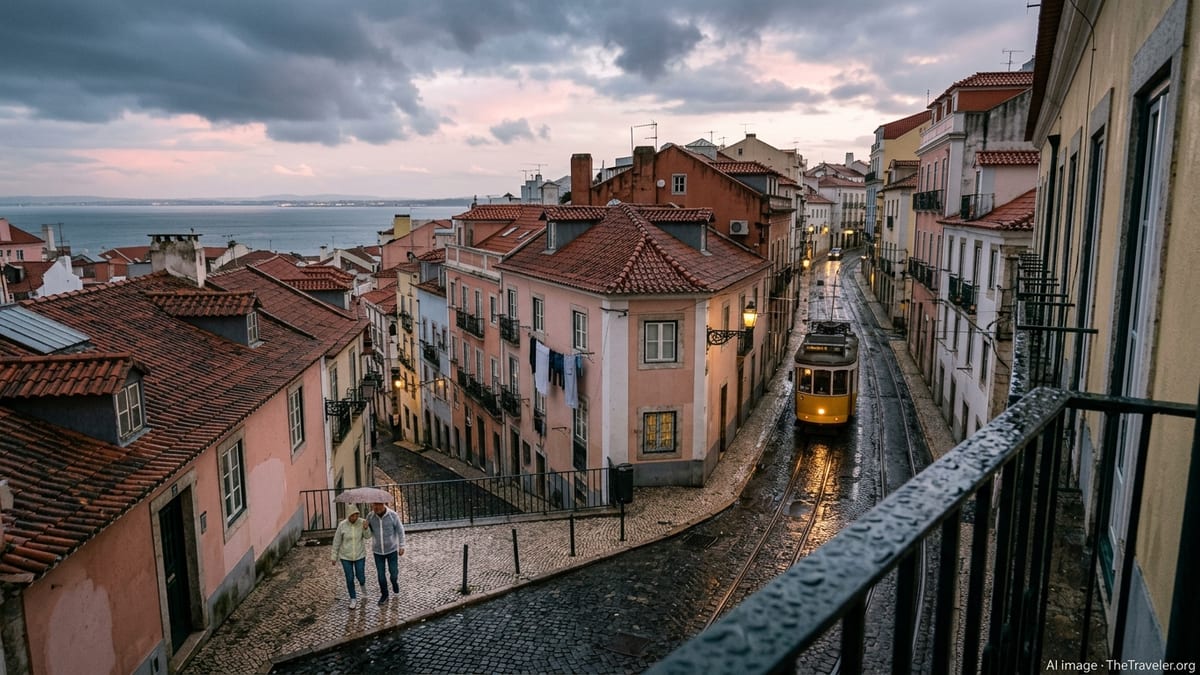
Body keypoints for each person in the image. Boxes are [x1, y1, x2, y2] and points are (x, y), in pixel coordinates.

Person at [365, 501, 406, 605]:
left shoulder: (393, 515)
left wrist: (402, 545)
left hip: (391, 549)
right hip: (377, 551)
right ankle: (384, 594)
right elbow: (367, 535)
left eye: (378, 504)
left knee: (393, 573)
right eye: (374, 504)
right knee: (380, 575)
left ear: (383, 504)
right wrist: (365, 528)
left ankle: (394, 582)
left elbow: (400, 530)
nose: (376, 507)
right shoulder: (370, 516)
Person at [331, 508, 371, 608]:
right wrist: (334, 556)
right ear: (348, 515)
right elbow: (336, 541)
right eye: (353, 515)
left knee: (360, 576)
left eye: (357, 515)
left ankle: (363, 588)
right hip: (345, 556)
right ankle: (353, 598)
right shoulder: (342, 525)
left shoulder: (362, 522)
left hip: (360, 555)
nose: (355, 517)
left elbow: (368, 536)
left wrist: (366, 528)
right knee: (349, 578)